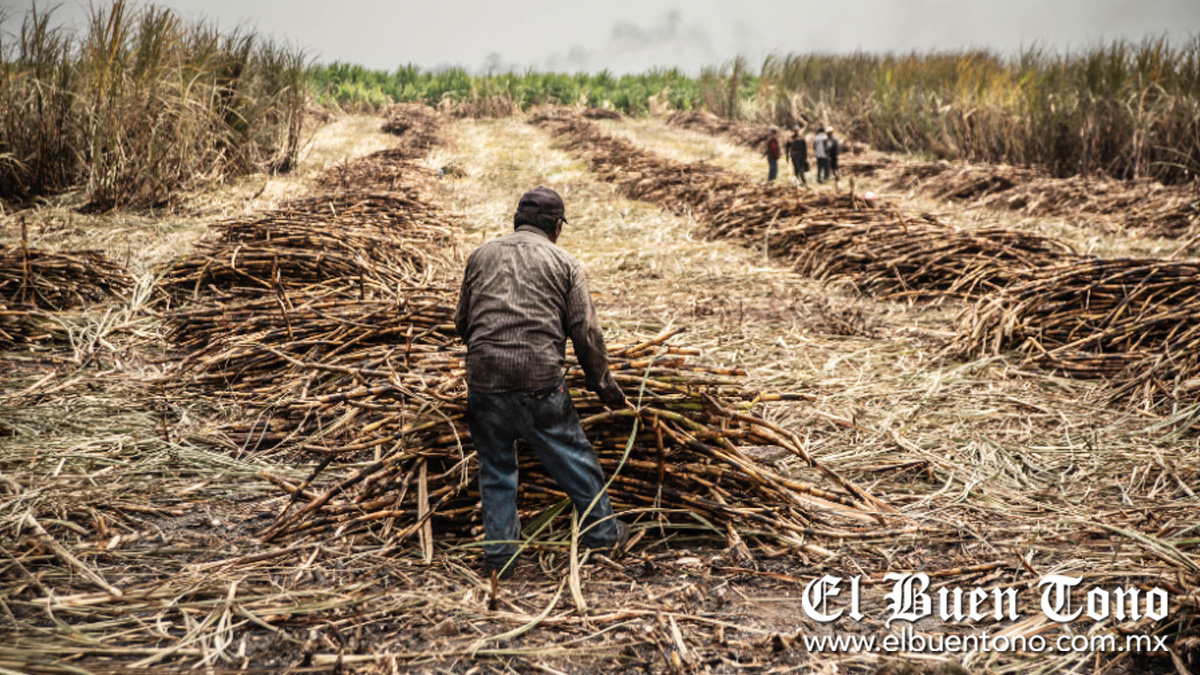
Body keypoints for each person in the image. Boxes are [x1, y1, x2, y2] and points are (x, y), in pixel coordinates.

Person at [454, 186, 630, 579]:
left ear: (517, 220)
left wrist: (492, 356)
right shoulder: (564, 263)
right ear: (555, 227)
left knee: (496, 466)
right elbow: (586, 333)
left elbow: (462, 323)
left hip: (483, 383)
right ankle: (603, 534)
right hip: (540, 383)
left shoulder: (480, 255)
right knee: (574, 456)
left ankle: (500, 555)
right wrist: (602, 384)